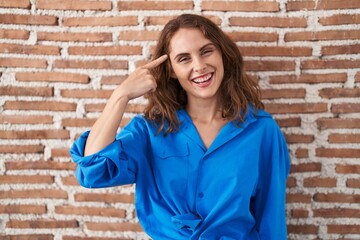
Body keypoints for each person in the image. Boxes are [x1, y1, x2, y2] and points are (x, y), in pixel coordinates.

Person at [70, 14, 290, 240]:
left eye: (206, 51)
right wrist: (120, 95)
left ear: (222, 54)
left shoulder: (262, 131)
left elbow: (271, 219)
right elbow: (92, 172)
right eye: (184, 58)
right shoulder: (150, 131)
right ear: (172, 70)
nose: (199, 66)